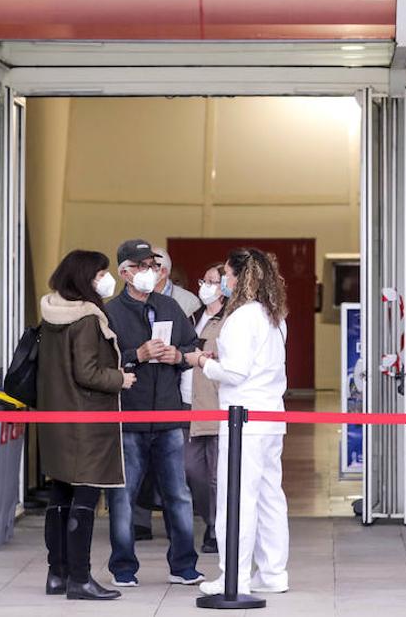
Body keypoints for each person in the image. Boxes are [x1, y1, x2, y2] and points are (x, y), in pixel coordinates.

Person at [103, 239, 205, 588]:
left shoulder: (170, 307)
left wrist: (178, 356)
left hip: (168, 416)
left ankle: (183, 565)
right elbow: (101, 364)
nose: (149, 271)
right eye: (141, 265)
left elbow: (193, 346)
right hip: (128, 418)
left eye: (152, 264)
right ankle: (123, 567)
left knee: (178, 494)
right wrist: (137, 354)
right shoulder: (109, 313)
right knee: (124, 495)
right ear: (125, 272)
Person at [38, 249, 137, 600]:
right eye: (99, 274)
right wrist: (120, 379)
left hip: (57, 419)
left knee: (60, 494)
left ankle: (57, 573)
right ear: (84, 278)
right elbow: (87, 372)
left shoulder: (52, 314)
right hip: (87, 423)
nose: (104, 280)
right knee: (85, 495)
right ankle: (80, 578)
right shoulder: (86, 319)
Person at [191, 248, 290, 596]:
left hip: (243, 419)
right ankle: (275, 573)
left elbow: (233, 373)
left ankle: (234, 574)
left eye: (228, 276)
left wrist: (202, 361)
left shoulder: (240, 318)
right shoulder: (273, 316)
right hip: (270, 416)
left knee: (236, 499)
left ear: (240, 278)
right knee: (269, 497)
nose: (224, 283)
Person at [184, 264, 226, 554]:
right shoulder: (195, 316)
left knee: (213, 472)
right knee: (191, 469)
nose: (205, 285)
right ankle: (210, 519)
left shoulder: (230, 319)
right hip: (186, 403)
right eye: (204, 279)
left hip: (213, 403)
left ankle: (215, 527)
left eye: (212, 281)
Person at [154, 246, 202, 318]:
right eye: (141, 265)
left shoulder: (189, 301)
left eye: (149, 266)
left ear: (163, 272)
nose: (142, 271)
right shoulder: (135, 297)